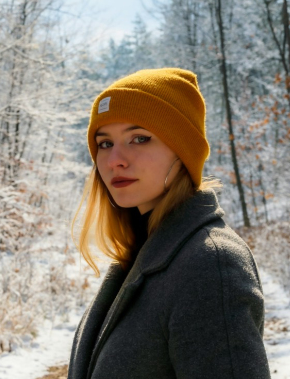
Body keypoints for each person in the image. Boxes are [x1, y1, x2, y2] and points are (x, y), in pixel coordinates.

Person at [68, 68, 271, 379]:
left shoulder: (210, 263)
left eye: (139, 138)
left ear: (183, 150)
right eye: (105, 143)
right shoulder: (143, 252)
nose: (114, 160)